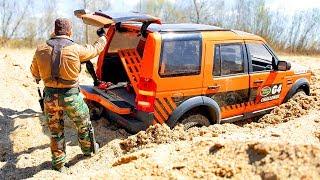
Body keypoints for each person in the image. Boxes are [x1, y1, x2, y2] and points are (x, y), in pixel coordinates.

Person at [30, 18, 107, 172]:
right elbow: (95, 49)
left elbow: (34, 72)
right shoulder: (76, 49)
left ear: (55, 30)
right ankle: (88, 151)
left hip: (50, 97)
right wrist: (103, 38)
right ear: (70, 31)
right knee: (83, 124)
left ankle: (58, 165)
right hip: (72, 96)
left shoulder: (40, 49)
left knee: (55, 131)